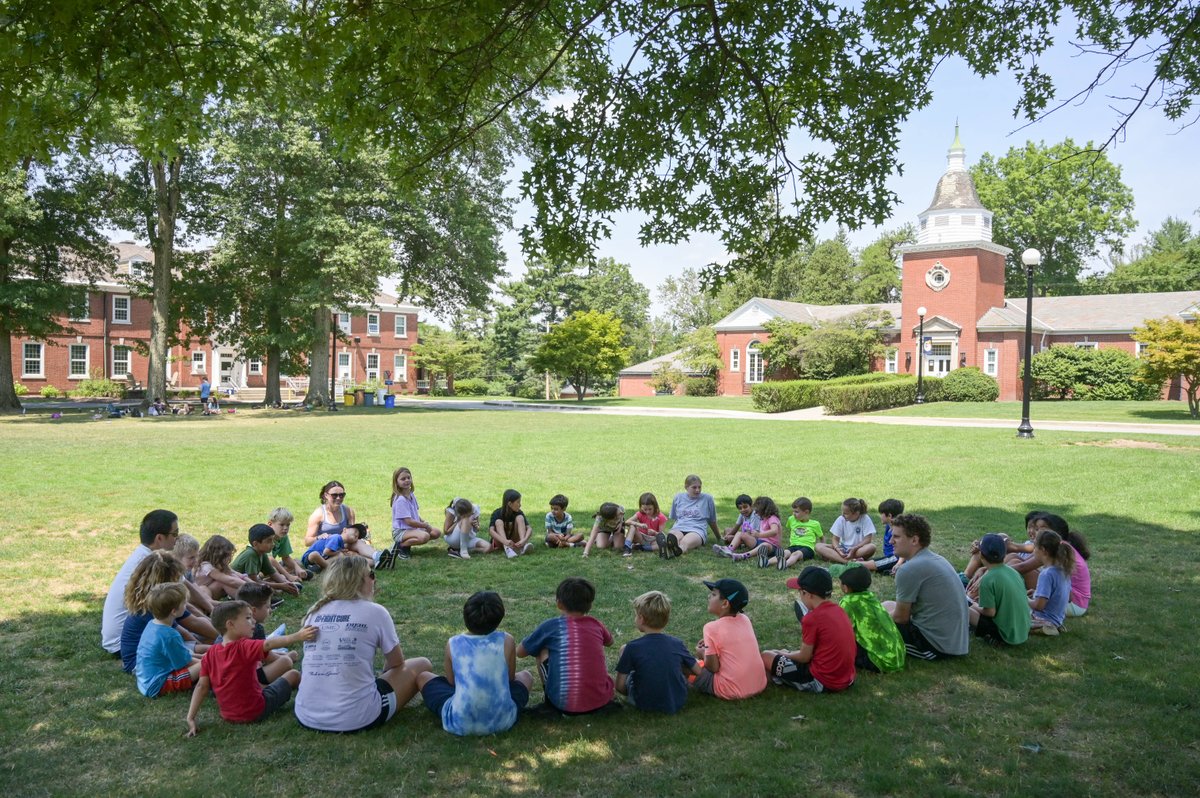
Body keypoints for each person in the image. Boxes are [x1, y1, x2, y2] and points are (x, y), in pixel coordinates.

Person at [294, 557, 432, 733]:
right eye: (371, 575)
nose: (374, 579)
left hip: (306, 714)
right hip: (358, 718)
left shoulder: (314, 612)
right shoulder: (375, 612)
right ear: (359, 580)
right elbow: (396, 662)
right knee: (422, 664)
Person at [185, 600, 316, 735]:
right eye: (248, 618)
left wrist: (190, 717)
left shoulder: (210, 654)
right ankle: (314, 696)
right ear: (230, 624)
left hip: (228, 715)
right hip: (256, 710)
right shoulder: (244, 645)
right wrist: (297, 636)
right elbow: (268, 644)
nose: (253, 621)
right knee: (293, 674)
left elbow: (202, 686)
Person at [417, 591, 533, 735]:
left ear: (466, 616)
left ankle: (469, 698)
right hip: (503, 719)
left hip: (460, 721)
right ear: (499, 618)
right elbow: (510, 679)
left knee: (423, 677)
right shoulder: (507, 641)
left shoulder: (453, 643)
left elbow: (452, 682)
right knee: (526, 676)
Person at [517, 577, 616, 715]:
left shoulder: (551, 626)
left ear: (559, 604)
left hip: (563, 704)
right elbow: (610, 642)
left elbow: (520, 652)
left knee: (541, 650)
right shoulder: (596, 624)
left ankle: (550, 699)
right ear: (590, 605)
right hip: (600, 701)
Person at [883, 514, 970, 661]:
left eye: (896, 537)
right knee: (886, 605)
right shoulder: (936, 558)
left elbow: (900, 618)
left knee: (872, 626)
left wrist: (874, 618)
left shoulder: (908, 569)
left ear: (914, 540)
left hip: (935, 647)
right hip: (956, 641)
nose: (891, 541)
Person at [120, 551, 216, 673]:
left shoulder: (154, 600)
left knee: (202, 644)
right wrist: (225, 639)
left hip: (155, 651)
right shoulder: (155, 607)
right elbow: (191, 627)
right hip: (141, 663)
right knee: (203, 654)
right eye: (176, 579)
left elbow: (189, 635)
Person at [763, 567, 856, 693]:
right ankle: (777, 674)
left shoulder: (812, 619)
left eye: (800, 591)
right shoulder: (839, 610)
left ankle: (765, 682)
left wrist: (783, 654)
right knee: (779, 654)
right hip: (847, 677)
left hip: (823, 681)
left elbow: (804, 657)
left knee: (766, 656)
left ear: (808, 594)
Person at [102, 509, 179, 654]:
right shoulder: (155, 565)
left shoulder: (145, 555)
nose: (177, 538)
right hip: (125, 644)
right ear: (159, 538)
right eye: (174, 534)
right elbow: (185, 615)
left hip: (122, 640)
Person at [615, 591, 699, 714]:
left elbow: (619, 686)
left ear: (641, 619)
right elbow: (698, 671)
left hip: (642, 702)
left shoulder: (631, 648)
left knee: (624, 651)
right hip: (677, 700)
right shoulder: (677, 644)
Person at [694, 578, 767, 700]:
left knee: (688, 664)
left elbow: (713, 667)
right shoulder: (745, 619)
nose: (709, 597)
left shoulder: (710, 628)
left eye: (713, 594)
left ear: (725, 604)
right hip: (758, 684)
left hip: (729, 689)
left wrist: (702, 654)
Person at [135, 582, 202, 698]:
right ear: (174, 611)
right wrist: (209, 661)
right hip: (159, 685)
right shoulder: (170, 635)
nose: (186, 605)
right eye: (184, 603)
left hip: (145, 682)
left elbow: (185, 657)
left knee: (204, 659)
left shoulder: (152, 624)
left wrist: (204, 657)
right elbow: (186, 663)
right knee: (208, 664)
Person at [834, 565, 906, 673]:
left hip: (879, 660)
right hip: (897, 654)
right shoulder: (870, 596)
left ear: (845, 587)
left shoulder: (848, 602)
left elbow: (843, 631)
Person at [965, 534, 1030, 646]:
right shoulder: (1012, 571)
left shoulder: (988, 579)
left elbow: (990, 612)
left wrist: (974, 606)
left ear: (980, 554)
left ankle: (992, 637)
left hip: (1006, 636)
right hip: (1022, 632)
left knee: (963, 608)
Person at [305, 480, 379, 566]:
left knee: (358, 543)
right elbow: (307, 541)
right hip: (326, 549)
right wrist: (318, 537)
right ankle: (375, 562)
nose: (338, 498)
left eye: (341, 495)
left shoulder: (348, 511)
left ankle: (378, 556)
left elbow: (352, 534)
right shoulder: (318, 514)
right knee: (348, 556)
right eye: (334, 495)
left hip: (343, 545)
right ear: (326, 495)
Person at [1038, 513, 1091, 617]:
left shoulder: (1054, 550)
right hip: (1073, 601)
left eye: (1043, 529)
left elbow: (1023, 567)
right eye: (1036, 528)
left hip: (1074, 604)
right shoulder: (1062, 546)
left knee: (1030, 573)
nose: (1037, 532)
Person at [385, 466, 440, 565]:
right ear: (396, 482)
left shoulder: (411, 494)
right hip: (401, 531)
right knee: (425, 536)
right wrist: (425, 526)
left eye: (408, 478)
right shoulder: (401, 500)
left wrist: (422, 521)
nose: (406, 480)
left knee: (436, 533)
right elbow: (408, 521)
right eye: (403, 479)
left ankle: (407, 543)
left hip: (412, 528)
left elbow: (415, 514)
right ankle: (401, 547)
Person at [659, 474, 719, 559]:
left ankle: (677, 550)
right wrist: (673, 529)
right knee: (674, 537)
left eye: (699, 487)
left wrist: (719, 537)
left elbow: (712, 521)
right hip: (679, 527)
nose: (697, 490)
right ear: (686, 487)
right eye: (694, 487)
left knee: (685, 542)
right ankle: (668, 547)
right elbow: (675, 518)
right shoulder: (678, 497)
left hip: (697, 530)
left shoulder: (707, 499)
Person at [231, 524, 301, 596]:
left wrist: (287, 583)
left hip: (249, 583)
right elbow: (254, 582)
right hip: (236, 586)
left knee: (279, 579)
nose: (273, 544)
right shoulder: (251, 555)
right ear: (256, 544)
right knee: (267, 590)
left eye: (273, 540)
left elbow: (272, 573)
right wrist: (281, 586)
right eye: (269, 541)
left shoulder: (262, 553)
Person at [1029, 529, 1074, 636]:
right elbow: (1069, 598)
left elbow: (1039, 606)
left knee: (1011, 613)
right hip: (1057, 620)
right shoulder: (1063, 569)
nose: (1033, 550)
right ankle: (1053, 627)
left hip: (1043, 618)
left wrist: (1023, 598)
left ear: (1043, 550)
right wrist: (1036, 593)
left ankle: (1043, 627)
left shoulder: (1046, 574)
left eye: (1035, 547)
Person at [718, 495, 781, 565]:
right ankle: (729, 549)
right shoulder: (763, 519)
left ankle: (743, 555)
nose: (756, 513)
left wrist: (759, 535)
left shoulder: (773, 518)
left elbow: (774, 531)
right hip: (759, 542)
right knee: (739, 534)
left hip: (772, 547)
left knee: (765, 544)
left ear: (764, 510)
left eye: (757, 510)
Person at [767, 497, 823, 571]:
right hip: (793, 546)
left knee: (796, 554)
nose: (794, 514)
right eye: (793, 511)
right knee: (785, 553)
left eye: (796, 512)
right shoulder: (791, 519)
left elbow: (821, 537)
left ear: (806, 512)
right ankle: (766, 562)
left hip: (807, 548)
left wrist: (822, 551)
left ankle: (784, 565)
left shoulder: (815, 524)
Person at [816, 498, 877, 564]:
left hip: (858, 550)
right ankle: (847, 561)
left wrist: (854, 548)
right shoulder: (841, 519)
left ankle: (837, 557)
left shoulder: (865, 518)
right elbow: (835, 539)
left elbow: (868, 539)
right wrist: (838, 549)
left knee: (871, 547)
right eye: (842, 512)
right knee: (818, 546)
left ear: (856, 514)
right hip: (843, 548)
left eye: (846, 513)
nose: (843, 515)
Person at [194, 534, 252, 600]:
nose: (229, 558)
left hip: (210, 589)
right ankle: (249, 600)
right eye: (227, 556)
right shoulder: (206, 566)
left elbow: (235, 574)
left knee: (232, 575)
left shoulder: (217, 563)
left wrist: (253, 584)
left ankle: (253, 596)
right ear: (218, 555)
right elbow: (231, 581)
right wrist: (251, 587)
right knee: (222, 582)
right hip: (201, 593)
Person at [173, 533, 215, 616]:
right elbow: (189, 599)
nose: (196, 561)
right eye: (191, 558)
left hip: (189, 600)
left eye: (197, 556)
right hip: (180, 606)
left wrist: (214, 605)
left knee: (204, 589)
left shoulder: (187, 572)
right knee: (196, 606)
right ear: (177, 557)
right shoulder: (175, 574)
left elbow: (197, 591)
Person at [266, 507, 309, 583]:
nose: (285, 528)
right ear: (270, 524)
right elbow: (270, 559)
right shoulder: (265, 536)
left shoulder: (283, 537)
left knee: (297, 563)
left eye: (288, 525)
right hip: (257, 568)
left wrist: (298, 568)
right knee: (274, 569)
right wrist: (288, 576)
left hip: (269, 566)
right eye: (281, 525)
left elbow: (285, 557)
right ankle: (277, 579)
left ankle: (290, 575)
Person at [863, 498, 905, 575]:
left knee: (871, 564)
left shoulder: (899, 530)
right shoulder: (889, 526)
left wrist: (899, 563)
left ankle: (857, 564)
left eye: (881, 514)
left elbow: (905, 549)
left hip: (896, 558)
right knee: (876, 563)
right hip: (890, 557)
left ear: (889, 515)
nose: (880, 516)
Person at [489, 489, 533, 558]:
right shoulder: (497, 513)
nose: (520, 505)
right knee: (498, 522)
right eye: (518, 502)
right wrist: (505, 541)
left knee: (520, 518)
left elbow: (529, 528)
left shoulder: (519, 512)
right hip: (501, 542)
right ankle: (507, 549)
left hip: (514, 542)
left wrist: (524, 540)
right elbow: (491, 531)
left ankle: (523, 545)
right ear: (510, 504)